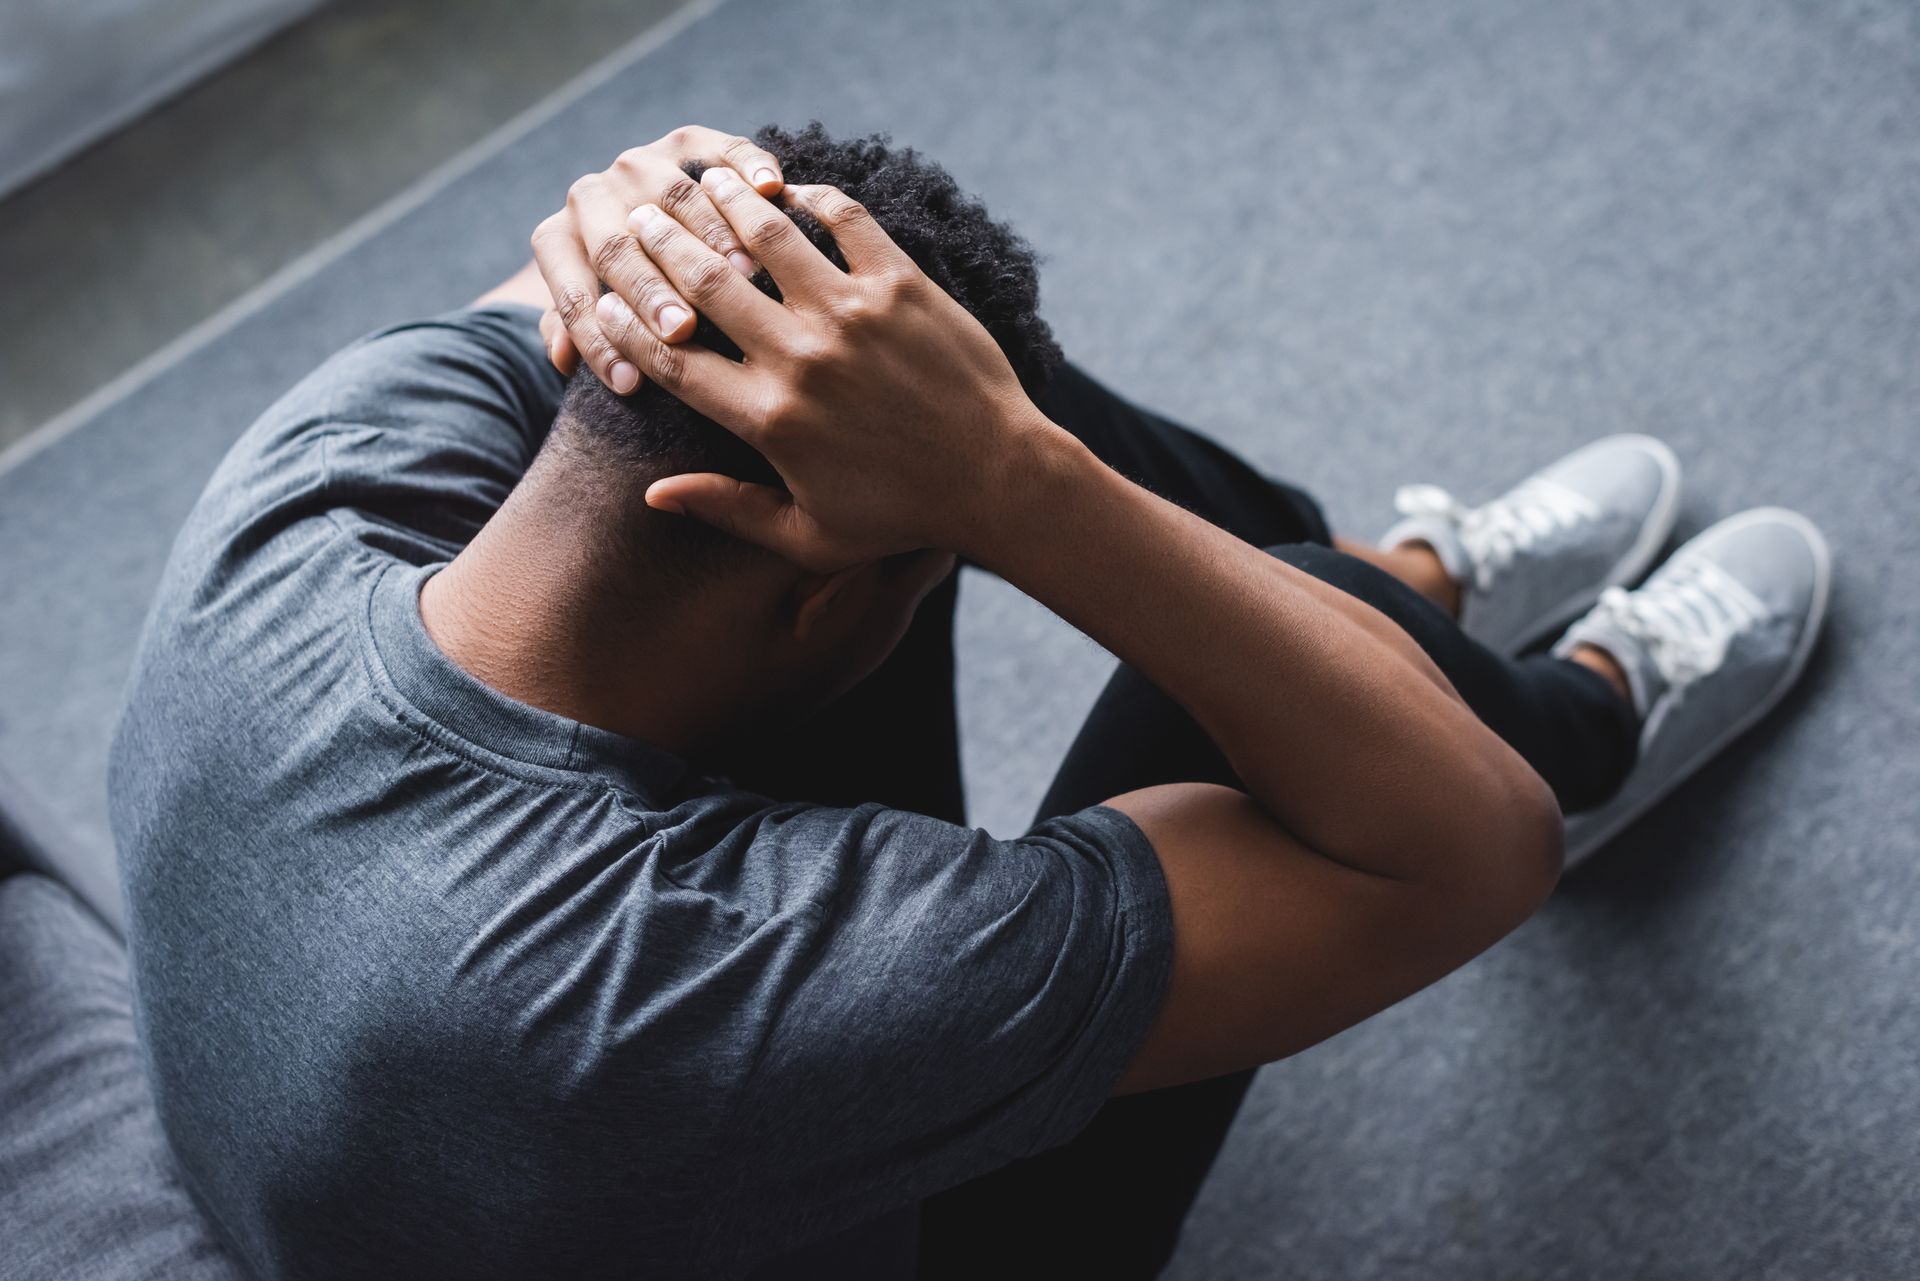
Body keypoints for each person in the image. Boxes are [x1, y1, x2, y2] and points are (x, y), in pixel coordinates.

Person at [110, 123, 1829, 1280]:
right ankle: (1561, 705)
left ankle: (1369, 577)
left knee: (849, 322)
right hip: (692, 1160)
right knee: (1306, 636)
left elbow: (695, 281)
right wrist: (1023, 490)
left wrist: (718, 210)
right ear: (830, 593)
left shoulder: (328, 466)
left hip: (448, 1140)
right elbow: (1467, 850)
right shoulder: (700, 990)